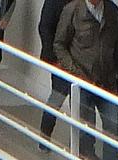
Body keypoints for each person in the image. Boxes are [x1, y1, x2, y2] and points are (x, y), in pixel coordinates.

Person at [54, 0, 118, 160]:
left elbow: (117, 47)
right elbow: (59, 46)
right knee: (83, 128)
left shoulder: (112, 11)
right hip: (82, 84)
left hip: (108, 84)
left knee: (112, 129)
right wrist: (77, 74)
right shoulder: (72, 10)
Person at [35, 0, 72, 146]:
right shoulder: (54, 2)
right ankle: (44, 136)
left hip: (79, 61)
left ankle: (85, 148)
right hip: (60, 60)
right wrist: (54, 58)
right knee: (57, 97)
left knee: (81, 105)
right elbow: (44, 27)